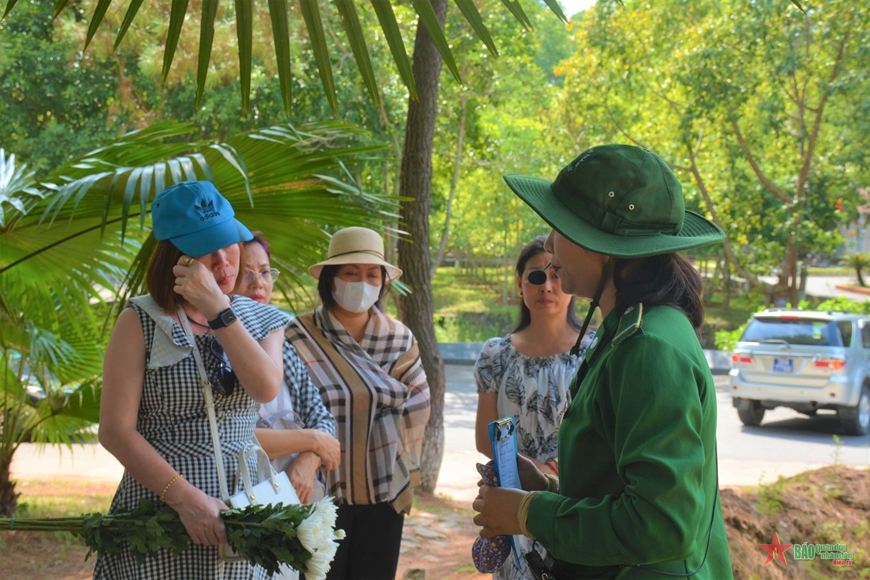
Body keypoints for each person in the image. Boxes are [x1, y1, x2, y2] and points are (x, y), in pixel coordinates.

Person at [472, 144, 734, 578]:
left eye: (560, 228)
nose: (551, 247)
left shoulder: (649, 347)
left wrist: (531, 513)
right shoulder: (623, 332)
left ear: (604, 247)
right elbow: (618, 481)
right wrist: (550, 487)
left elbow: (661, 526)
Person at [95, 181, 289, 580]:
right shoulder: (141, 320)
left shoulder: (261, 319)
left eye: (229, 242)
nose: (224, 261)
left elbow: (265, 388)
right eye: (207, 248)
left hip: (244, 509)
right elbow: (115, 430)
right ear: (176, 257)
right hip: (160, 510)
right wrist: (184, 499)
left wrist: (219, 310)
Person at [284, 226, 431, 580]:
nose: (362, 282)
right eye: (351, 273)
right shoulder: (296, 335)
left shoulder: (398, 338)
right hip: (316, 493)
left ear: (383, 282)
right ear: (330, 279)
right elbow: (285, 412)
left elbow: (419, 404)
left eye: (371, 274)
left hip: (383, 491)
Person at [473, 235, 588, 580]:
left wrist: (551, 471)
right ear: (520, 283)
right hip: (512, 501)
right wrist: (530, 469)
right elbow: (484, 438)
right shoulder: (495, 354)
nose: (547, 286)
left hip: (575, 502)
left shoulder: (596, 351)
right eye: (536, 276)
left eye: (556, 274)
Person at [239, 231, 340, 504]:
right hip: (239, 504)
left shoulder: (284, 348)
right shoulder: (215, 350)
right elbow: (235, 438)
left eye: (265, 272)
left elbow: (322, 419)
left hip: (297, 501)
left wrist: (309, 458)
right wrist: (313, 441)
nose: (258, 283)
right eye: (245, 273)